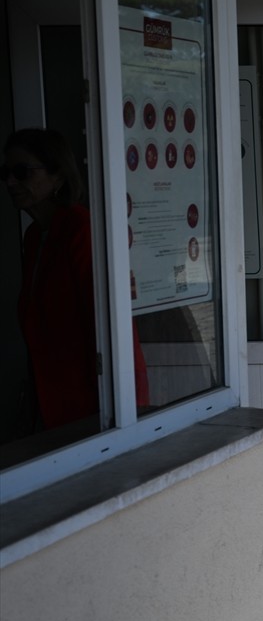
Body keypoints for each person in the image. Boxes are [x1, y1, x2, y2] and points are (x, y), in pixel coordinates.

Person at [5, 128, 148, 435]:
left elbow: (114, 328)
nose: (10, 182)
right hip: (52, 409)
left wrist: (131, 411)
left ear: (57, 175)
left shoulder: (81, 230)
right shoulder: (34, 237)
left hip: (92, 412)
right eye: (5, 173)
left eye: (22, 172)